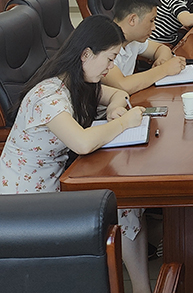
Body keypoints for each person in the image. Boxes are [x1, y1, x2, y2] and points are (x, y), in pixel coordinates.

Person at [0, 15, 151, 293]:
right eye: (110, 59)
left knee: (128, 205)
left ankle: (142, 289)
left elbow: (117, 94)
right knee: (125, 206)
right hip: (22, 205)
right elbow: (82, 143)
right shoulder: (49, 96)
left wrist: (116, 108)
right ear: (86, 54)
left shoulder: (78, 82)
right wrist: (123, 123)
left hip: (55, 183)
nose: (111, 67)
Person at [102, 0, 187, 94]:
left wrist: (162, 61)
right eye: (151, 21)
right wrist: (163, 69)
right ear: (132, 20)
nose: (154, 27)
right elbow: (122, 85)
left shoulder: (133, 40)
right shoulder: (103, 45)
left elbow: (161, 49)